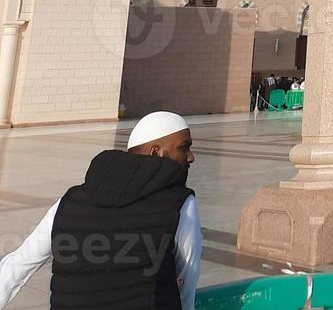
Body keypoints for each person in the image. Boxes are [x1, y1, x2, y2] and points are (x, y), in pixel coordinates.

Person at [0, 112, 200, 309]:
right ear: (156, 152)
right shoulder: (181, 204)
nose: (191, 158)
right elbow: (187, 283)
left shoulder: (69, 201)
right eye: (184, 148)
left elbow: (20, 265)